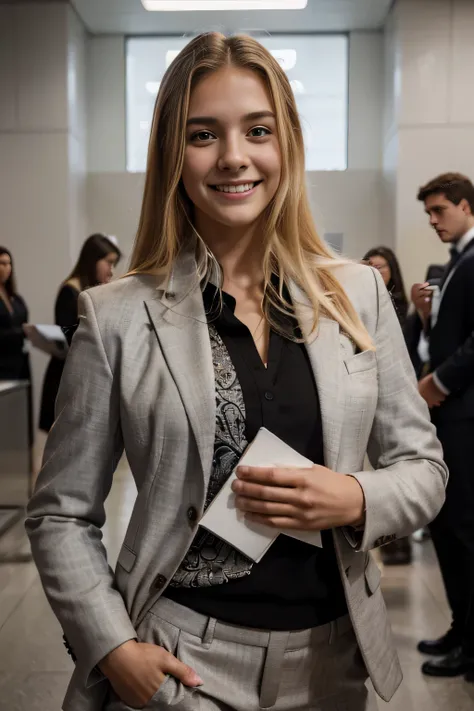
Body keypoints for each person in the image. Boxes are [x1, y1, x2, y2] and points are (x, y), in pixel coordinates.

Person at [26, 33, 447, 711]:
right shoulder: (115, 316)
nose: (233, 157)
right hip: (181, 662)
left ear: (288, 144)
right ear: (171, 152)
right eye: (202, 134)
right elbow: (60, 512)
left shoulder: (358, 295)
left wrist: (355, 498)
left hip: (334, 662)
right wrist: (113, 647)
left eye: (258, 130)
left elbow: (424, 467)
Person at [414, 172, 474, 681]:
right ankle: (462, 627)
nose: (433, 221)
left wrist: (438, 384)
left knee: (463, 529)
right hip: (450, 413)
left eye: (439, 211)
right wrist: (427, 318)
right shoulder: (457, 262)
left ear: (465, 206)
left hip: (463, 413)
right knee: (447, 526)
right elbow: (452, 336)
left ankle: (473, 646)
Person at [38, 234, 121, 433]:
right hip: (64, 378)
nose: (112, 270)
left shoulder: (85, 290)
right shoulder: (71, 291)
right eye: (108, 263)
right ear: (93, 261)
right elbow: (68, 337)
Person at [362, 247, 412, 565]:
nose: (377, 273)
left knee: (399, 468)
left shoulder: (404, 306)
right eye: (371, 267)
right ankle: (386, 542)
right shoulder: (360, 302)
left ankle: (400, 543)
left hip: (399, 388)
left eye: (381, 268)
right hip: (369, 390)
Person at [0, 247, 30, 381]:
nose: (7, 268)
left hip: (19, 362)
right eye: (2, 263)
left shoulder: (15, 298)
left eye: (9, 263)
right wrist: (20, 332)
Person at [362, 247, 409, 328]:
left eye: (378, 267)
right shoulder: (360, 302)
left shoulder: (403, 308)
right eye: (369, 268)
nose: (373, 272)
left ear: (392, 270)